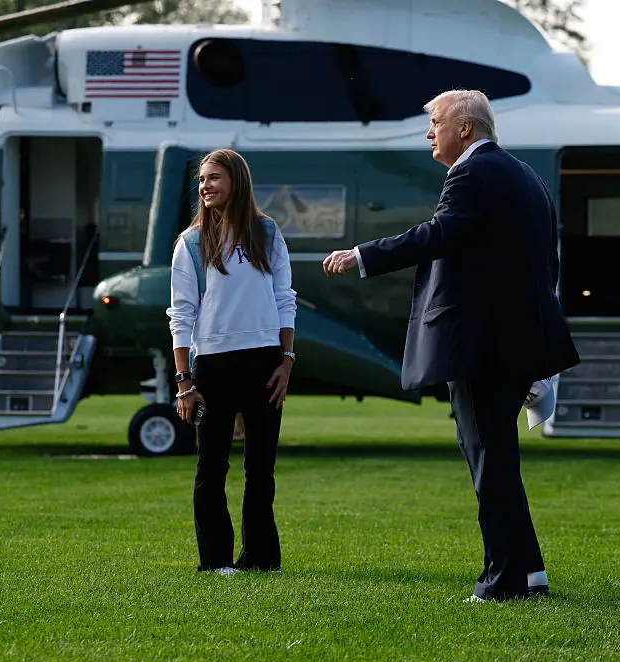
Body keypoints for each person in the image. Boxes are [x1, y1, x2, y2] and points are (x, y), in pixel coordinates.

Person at [323, 89, 580, 602]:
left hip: (482, 344)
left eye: (435, 122)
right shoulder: (525, 175)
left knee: (489, 459)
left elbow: (439, 234)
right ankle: (529, 573)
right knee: (498, 457)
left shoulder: (471, 173)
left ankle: (501, 582)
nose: (428, 132)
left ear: (465, 128)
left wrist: (362, 255)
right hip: (514, 338)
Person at [166, 148, 298, 575]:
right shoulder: (189, 243)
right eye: (202, 180)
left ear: (236, 181)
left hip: (265, 361)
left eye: (214, 178)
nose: (205, 186)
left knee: (262, 467)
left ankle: (261, 559)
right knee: (212, 465)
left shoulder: (268, 232)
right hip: (213, 365)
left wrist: (286, 359)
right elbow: (180, 314)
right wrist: (185, 381)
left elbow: (285, 299)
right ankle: (216, 560)